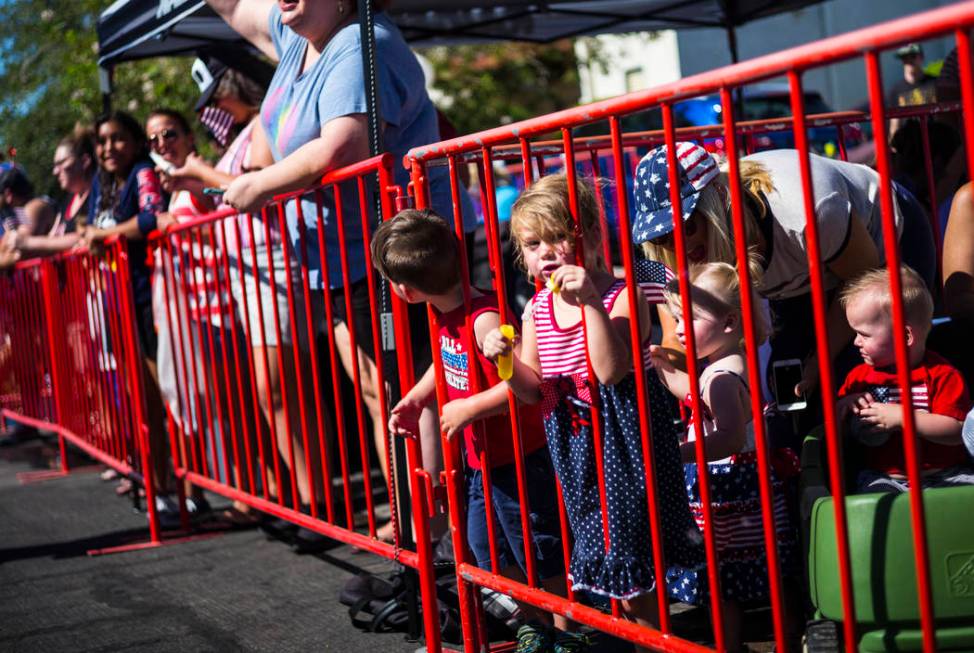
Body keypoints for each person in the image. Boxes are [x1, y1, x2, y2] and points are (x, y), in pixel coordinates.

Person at [205, 0, 477, 543]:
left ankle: (440, 539)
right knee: (385, 395)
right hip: (344, 259)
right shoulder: (296, 39)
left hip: (402, 254)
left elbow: (343, 145)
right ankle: (415, 524)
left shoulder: (360, 43)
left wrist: (259, 183)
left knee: (415, 394)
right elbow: (235, 6)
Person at [482, 173, 705, 649]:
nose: (546, 251)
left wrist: (590, 306)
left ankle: (656, 641)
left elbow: (610, 370)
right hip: (576, 450)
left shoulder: (620, 296)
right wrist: (501, 357)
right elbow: (532, 388)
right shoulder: (537, 308)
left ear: (591, 235)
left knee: (635, 568)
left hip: (623, 446)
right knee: (609, 565)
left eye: (558, 237)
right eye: (533, 242)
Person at [634, 143, 937, 440]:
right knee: (788, 390)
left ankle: (888, 478)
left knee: (866, 372)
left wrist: (818, 363)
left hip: (884, 248)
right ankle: (810, 478)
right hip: (803, 272)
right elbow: (674, 339)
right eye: (662, 236)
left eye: (686, 226)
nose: (679, 246)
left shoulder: (807, 211)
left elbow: (862, 278)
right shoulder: (680, 253)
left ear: (718, 202)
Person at [373, 208, 572, 650]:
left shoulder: (483, 318)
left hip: (519, 461)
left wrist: (467, 408)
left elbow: (523, 389)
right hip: (484, 465)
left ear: (405, 291)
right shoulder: (446, 314)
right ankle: (535, 627)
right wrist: (419, 396)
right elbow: (446, 362)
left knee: (541, 554)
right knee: (488, 555)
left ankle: (565, 632)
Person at [650, 262, 800, 652]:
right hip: (747, 487)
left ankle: (729, 646)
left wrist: (678, 453)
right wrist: (665, 370)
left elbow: (730, 438)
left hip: (731, 491)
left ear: (729, 322)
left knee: (723, 581)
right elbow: (694, 395)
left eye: (691, 318)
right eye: (678, 317)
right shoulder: (729, 363)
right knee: (766, 575)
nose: (679, 328)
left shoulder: (719, 377)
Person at [83, 111, 171, 509]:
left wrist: (104, 234)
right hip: (114, 303)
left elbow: (153, 218)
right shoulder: (102, 188)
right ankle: (155, 483)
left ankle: (177, 489)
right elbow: (87, 238)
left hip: (149, 296)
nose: (108, 148)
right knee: (138, 399)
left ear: (135, 141)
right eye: (102, 141)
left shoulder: (142, 174)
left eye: (117, 138)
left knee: (162, 396)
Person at [837, 266, 973, 493]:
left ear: (905, 336)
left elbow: (958, 431)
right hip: (886, 478)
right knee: (872, 500)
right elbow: (836, 430)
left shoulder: (943, 375)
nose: (855, 342)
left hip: (946, 474)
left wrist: (903, 417)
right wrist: (844, 406)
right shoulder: (858, 378)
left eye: (864, 334)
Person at [4, 128, 95, 258]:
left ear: (85, 161)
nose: (55, 172)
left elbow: (88, 236)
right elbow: (54, 240)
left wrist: (28, 242)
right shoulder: (68, 202)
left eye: (61, 163)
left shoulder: (98, 196)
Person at [888, 43, 938, 109]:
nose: (909, 61)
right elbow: (894, 119)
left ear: (921, 57)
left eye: (913, 56)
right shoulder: (895, 91)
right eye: (905, 57)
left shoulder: (935, 83)